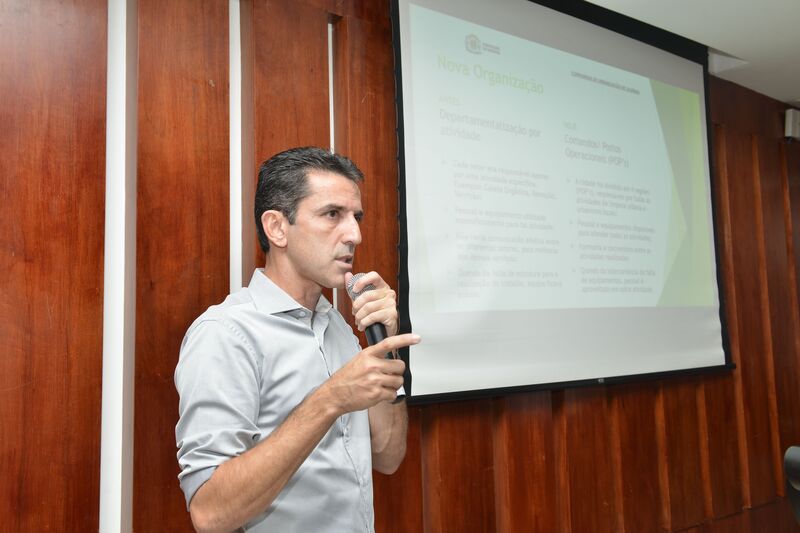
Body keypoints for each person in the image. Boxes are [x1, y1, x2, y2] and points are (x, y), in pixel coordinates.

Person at [174, 146, 420, 533]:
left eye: (356, 217)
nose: (355, 235)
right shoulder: (226, 334)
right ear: (276, 227)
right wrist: (331, 399)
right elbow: (210, 513)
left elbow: (389, 456)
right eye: (332, 214)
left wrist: (385, 349)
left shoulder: (340, 327)